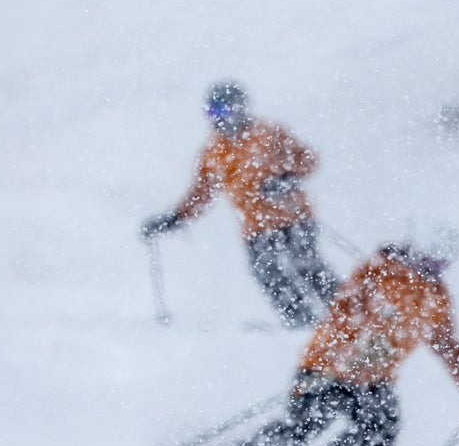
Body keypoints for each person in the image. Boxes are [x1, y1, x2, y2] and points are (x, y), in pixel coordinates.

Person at [211, 226, 459, 446]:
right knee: (304, 425)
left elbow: (447, 345)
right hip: (328, 368)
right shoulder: (381, 271)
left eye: (441, 263)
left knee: (381, 430)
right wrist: (352, 352)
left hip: (374, 379)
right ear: (415, 248)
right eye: (429, 259)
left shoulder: (436, 296)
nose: (433, 268)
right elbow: (344, 313)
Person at [141, 80, 339, 328]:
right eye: (213, 112)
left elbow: (307, 159)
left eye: (225, 110)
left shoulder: (268, 134)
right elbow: (201, 192)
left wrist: (286, 179)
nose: (220, 119)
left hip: (292, 218)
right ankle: (301, 322)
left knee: (307, 267)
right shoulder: (213, 151)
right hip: (255, 228)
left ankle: (348, 316)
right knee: (269, 274)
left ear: (241, 108)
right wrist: (176, 218)